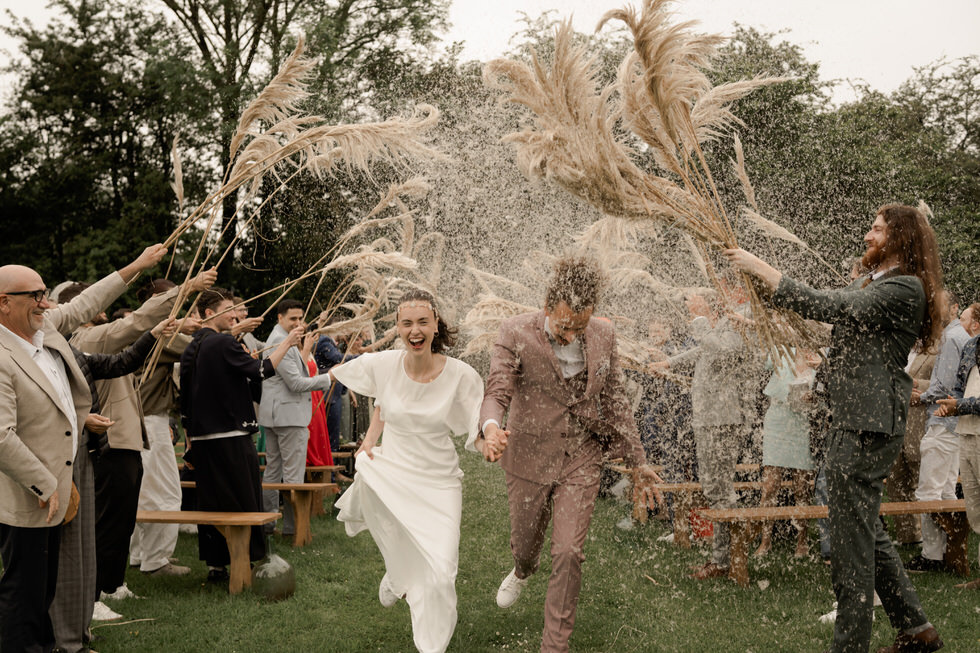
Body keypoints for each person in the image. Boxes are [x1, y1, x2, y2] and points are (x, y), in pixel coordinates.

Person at [725, 203, 945, 653]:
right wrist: (764, 291)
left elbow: (832, 304)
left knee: (850, 545)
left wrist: (764, 268)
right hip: (854, 419)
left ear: (899, 238)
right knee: (866, 530)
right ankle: (917, 630)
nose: (868, 234)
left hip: (867, 424)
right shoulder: (875, 281)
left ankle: (850, 646)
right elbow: (826, 320)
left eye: (877, 229)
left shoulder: (904, 288)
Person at [478, 255, 663, 653]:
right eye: (563, 325)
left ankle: (554, 646)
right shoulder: (515, 331)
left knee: (568, 550)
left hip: (582, 453)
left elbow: (614, 400)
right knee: (527, 543)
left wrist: (638, 460)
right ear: (548, 308)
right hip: (529, 452)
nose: (570, 335)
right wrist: (491, 428)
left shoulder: (603, 335)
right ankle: (523, 569)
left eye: (579, 327)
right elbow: (496, 390)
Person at [0, 244, 166, 653]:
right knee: (23, 589)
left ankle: (51, 643)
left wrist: (137, 266)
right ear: (3, 303)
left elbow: (89, 301)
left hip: (63, 481)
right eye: (35, 296)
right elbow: (2, 436)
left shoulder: (43, 331)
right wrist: (45, 484)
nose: (46, 303)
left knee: (47, 586)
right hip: (31, 493)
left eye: (45, 293)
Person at [329, 288, 484, 653]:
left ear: (435, 326)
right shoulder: (382, 364)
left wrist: (487, 442)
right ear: (397, 328)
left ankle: (411, 597)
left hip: (440, 481)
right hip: (396, 470)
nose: (415, 330)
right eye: (407, 323)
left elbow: (476, 424)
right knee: (400, 533)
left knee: (443, 570)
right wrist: (368, 441)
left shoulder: (460, 375)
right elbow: (381, 400)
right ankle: (401, 579)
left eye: (422, 322)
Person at [66, 266, 215, 594]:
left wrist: (161, 329)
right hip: (111, 438)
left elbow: (130, 355)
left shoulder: (92, 337)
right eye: (95, 306)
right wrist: (187, 288)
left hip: (124, 436)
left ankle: (113, 582)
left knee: (121, 516)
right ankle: (106, 586)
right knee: (112, 518)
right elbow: (133, 325)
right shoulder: (88, 337)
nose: (103, 310)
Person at [51, 317, 176, 653]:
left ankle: (105, 589)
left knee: (114, 525)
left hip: (114, 443)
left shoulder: (72, 348)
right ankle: (88, 601)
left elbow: (124, 360)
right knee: (98, 528)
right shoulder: (92, 336)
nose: (111, 315)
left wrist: (153, 333)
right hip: (89, 449)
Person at [179, 288, 302, 582]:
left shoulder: (193, 346)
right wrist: (288, 342)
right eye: (229, 309)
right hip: (231, 436)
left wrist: (189, 440)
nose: (235, 315)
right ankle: (244, 564)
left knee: (212, 504)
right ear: (210, 313)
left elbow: (184, 401)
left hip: (202, 440)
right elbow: (262, 370)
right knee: (241, 503)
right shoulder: (221, 343)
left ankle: (216, 566)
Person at [648, 291, 763, 579]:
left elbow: (724, 351)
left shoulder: (746, 315)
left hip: (723, 417)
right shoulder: (725, 319)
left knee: (720, 489)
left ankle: (729, 561)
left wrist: (699, 321)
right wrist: (669, 364)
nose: (688, 301)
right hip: (708, 416)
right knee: (713, 488)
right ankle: (721, 558)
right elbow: (704, 351)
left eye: (694, 297)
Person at [909, 298, 979, 572]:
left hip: (944, 424)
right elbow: (959, 386)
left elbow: (945, 386)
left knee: (929, 491)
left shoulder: (951, 338)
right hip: (958, 426)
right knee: (948, 491)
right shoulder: (965, 340)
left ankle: (932, 555)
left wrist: (922, 397)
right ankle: (952, 555)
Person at [258, 299, 334, 537]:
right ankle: (292, 529)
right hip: (288, 417)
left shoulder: (280, 338)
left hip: (275, 415)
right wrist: (330, 377)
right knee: (292, 475)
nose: (298, 323)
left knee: (273, 471)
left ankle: (270, 524)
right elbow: (296, 383)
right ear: (279, 318)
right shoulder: (281, 341)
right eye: (293, 319)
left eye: (301, 318)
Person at [754, 348, 820, 558]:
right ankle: (765, 542)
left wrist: (814, 398)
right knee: (770, 486)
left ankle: (802, 543)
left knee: (802, 488)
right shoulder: (781, 351)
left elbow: (826, 394)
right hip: (777, 420)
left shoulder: (820, 359)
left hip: (802, 425)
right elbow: (761, 356)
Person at [935, 314, 980, 589]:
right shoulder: (971, 346)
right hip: (965, 431)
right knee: (974, 508)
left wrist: (959, 405)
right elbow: (958, 386)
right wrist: (949, 403)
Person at [886, 341, 937, 548]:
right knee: (896, 483)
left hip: (919, 424)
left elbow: (944, 384)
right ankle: (908, 536)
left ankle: (929, 542)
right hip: (894, 426)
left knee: (920, 483)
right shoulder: (899, 351)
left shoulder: (936, 352)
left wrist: (916, 384)